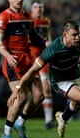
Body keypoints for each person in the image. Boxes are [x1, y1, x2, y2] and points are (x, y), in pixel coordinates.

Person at [0, 0, 46, 138]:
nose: (18, 0)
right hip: (13, 61)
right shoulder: (4, 17)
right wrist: (8, 56)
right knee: (21, 96)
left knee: (39, 95)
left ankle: (20, 122)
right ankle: (6, 133)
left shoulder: (27, 16)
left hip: (27, 60)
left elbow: (34, 37)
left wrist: (47, 44)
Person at [30, 0, 54, 129]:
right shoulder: (29, 21)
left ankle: (49, 121)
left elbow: (48, 37)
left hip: (44, 57)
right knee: (30, 91)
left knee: (47, 88)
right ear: (32, 9)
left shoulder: (46, 21)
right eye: (36, 7)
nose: (39, 9)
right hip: (32, 58)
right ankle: (19, 118)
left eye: (41, 7)